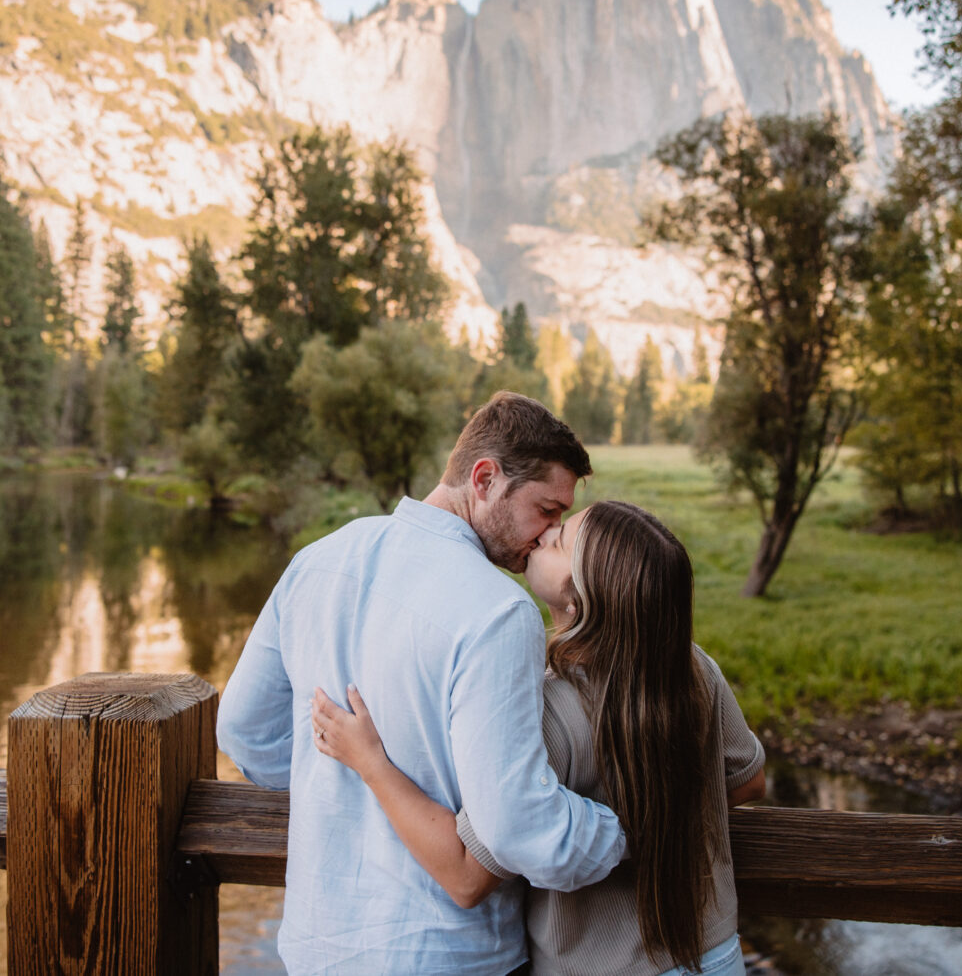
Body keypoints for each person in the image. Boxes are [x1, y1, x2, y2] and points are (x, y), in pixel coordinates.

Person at [216, 392, 629, 974]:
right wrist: (623, 831)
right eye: (546, 510)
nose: (547, 534)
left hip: (317, 947)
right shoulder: (499, 612)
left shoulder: (318, 559)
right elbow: (517, 825)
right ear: (484, 478)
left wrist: (348, 785)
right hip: (448, 953)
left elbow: (242, 730)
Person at [312, 499, 766, 976]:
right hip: (717, 956)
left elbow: (466, 876)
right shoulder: (693, 667)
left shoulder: (547, 712)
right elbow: (746, 782)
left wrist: (371, 763)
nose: (547, 533)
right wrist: (655, 813)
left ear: (578, 601)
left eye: (562, 538)